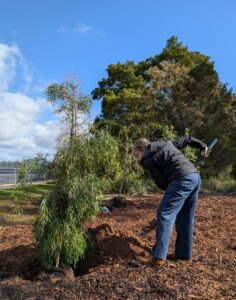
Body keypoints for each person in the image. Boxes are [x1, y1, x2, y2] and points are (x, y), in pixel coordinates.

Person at [132, 136, 209, 267]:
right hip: (194, 177)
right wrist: (203, 146)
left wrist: (171, 189)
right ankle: (183, 254)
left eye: (137, 154)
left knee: (164, 214)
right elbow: (188, 139)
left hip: (181, 179)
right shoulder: (168, 144)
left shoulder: (148, 158)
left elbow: (161, 183)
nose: (138, 158)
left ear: (143, 148)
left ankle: (157, 257)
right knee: (186, 217)